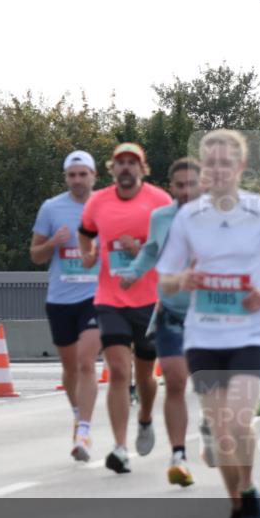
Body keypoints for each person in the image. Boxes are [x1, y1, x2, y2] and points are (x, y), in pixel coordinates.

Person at [157, 129, 260, 518]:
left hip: (250, 331)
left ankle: (248, 489)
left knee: (238, 421)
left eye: (227, 163)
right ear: (204, 171)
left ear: (240, 168)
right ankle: (239, 504)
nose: (219, 170)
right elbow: (165, 280)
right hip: (203, 334)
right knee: (220, 430)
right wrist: (184, 277)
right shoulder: (189, 217)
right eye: (212, 164)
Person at [78, 143, 172, 474]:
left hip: (148, 299)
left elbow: (176, 247)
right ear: (112, 169)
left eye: (133, 163)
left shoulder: (160, 202)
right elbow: (85, 232)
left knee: (146, 375)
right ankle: (119, 446)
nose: (127, 168)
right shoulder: (98, 201)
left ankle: (145, 418)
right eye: (121, 163)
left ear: (142, 168)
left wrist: (143, 250)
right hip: (110, 298)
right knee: (119, 370)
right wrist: (88, 255)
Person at [117, 157, 204, 485]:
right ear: (171, 187)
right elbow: (151, 251)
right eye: (179, 186)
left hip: (208, 312)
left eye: (191, 185)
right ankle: (178, 455)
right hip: (169, 309)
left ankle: (210, 428)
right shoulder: (161, 217)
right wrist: (134, 272)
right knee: (176, 380)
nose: (185, 191)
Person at [31, 151, 101, 461]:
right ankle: (77, 413)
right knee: (70, 368)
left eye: (82, 174)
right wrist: (52, 244)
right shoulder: (51, 208)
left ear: (93, 176)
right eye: (71, 175)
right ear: (66, 178)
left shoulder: (105, 206)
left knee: (87, 364)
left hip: (96, 297)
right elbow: (35, 255)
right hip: (60, 299)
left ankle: (84, 433)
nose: (77, 180)